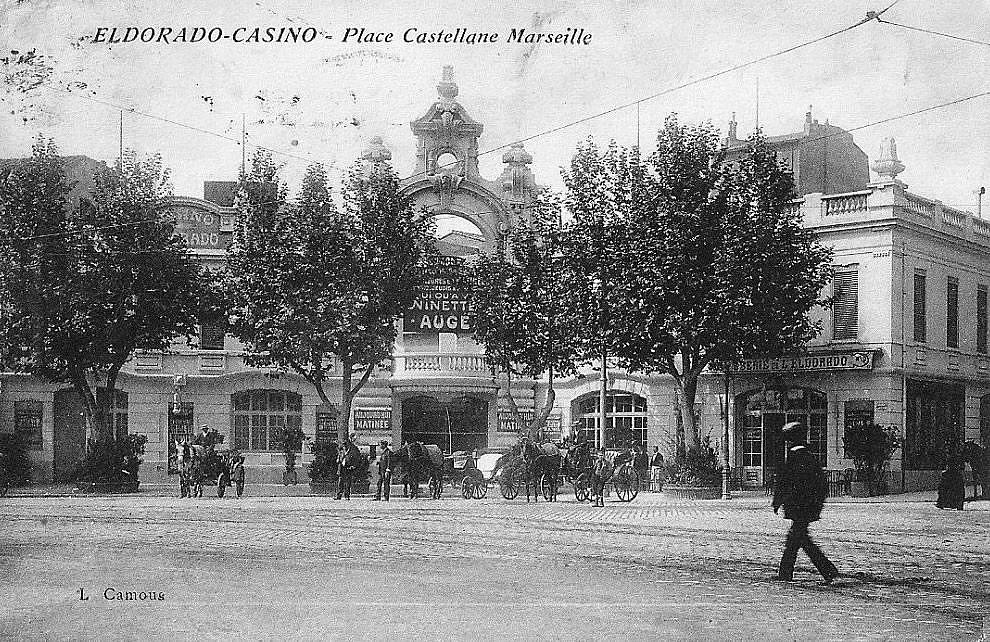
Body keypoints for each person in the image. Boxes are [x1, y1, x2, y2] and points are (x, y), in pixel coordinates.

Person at [772, 421, 839, 584]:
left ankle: (827, 571)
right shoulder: (809, 456)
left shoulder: (795, 457)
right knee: (797, 540)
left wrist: (777, 501)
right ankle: (786, 574)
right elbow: (821, 483)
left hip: (799, 507)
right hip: (807, 507)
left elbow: (785, 482)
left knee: (798, 540)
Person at [335, 434, 359, 501]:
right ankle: (339, 495)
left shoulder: (353, 449)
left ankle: (347, 496)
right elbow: (339, 456)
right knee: (340, 482)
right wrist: (338, 459)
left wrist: (353, 466)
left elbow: (356, 459)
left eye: (345, 444)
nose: (344, 445)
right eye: (343, 444)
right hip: (342, 467)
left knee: (348, 482)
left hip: (348, 467)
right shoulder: (341, 450)